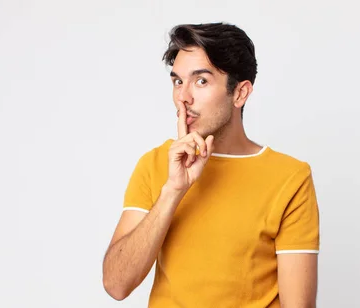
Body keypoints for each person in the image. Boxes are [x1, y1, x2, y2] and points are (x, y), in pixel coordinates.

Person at [102, 22, 320, 307]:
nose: (183, 97)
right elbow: (116, 285)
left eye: (201, 81)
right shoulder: (156, 164)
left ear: (240, 93)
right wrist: (173, 190)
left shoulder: (290, 177)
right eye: (178, 81)